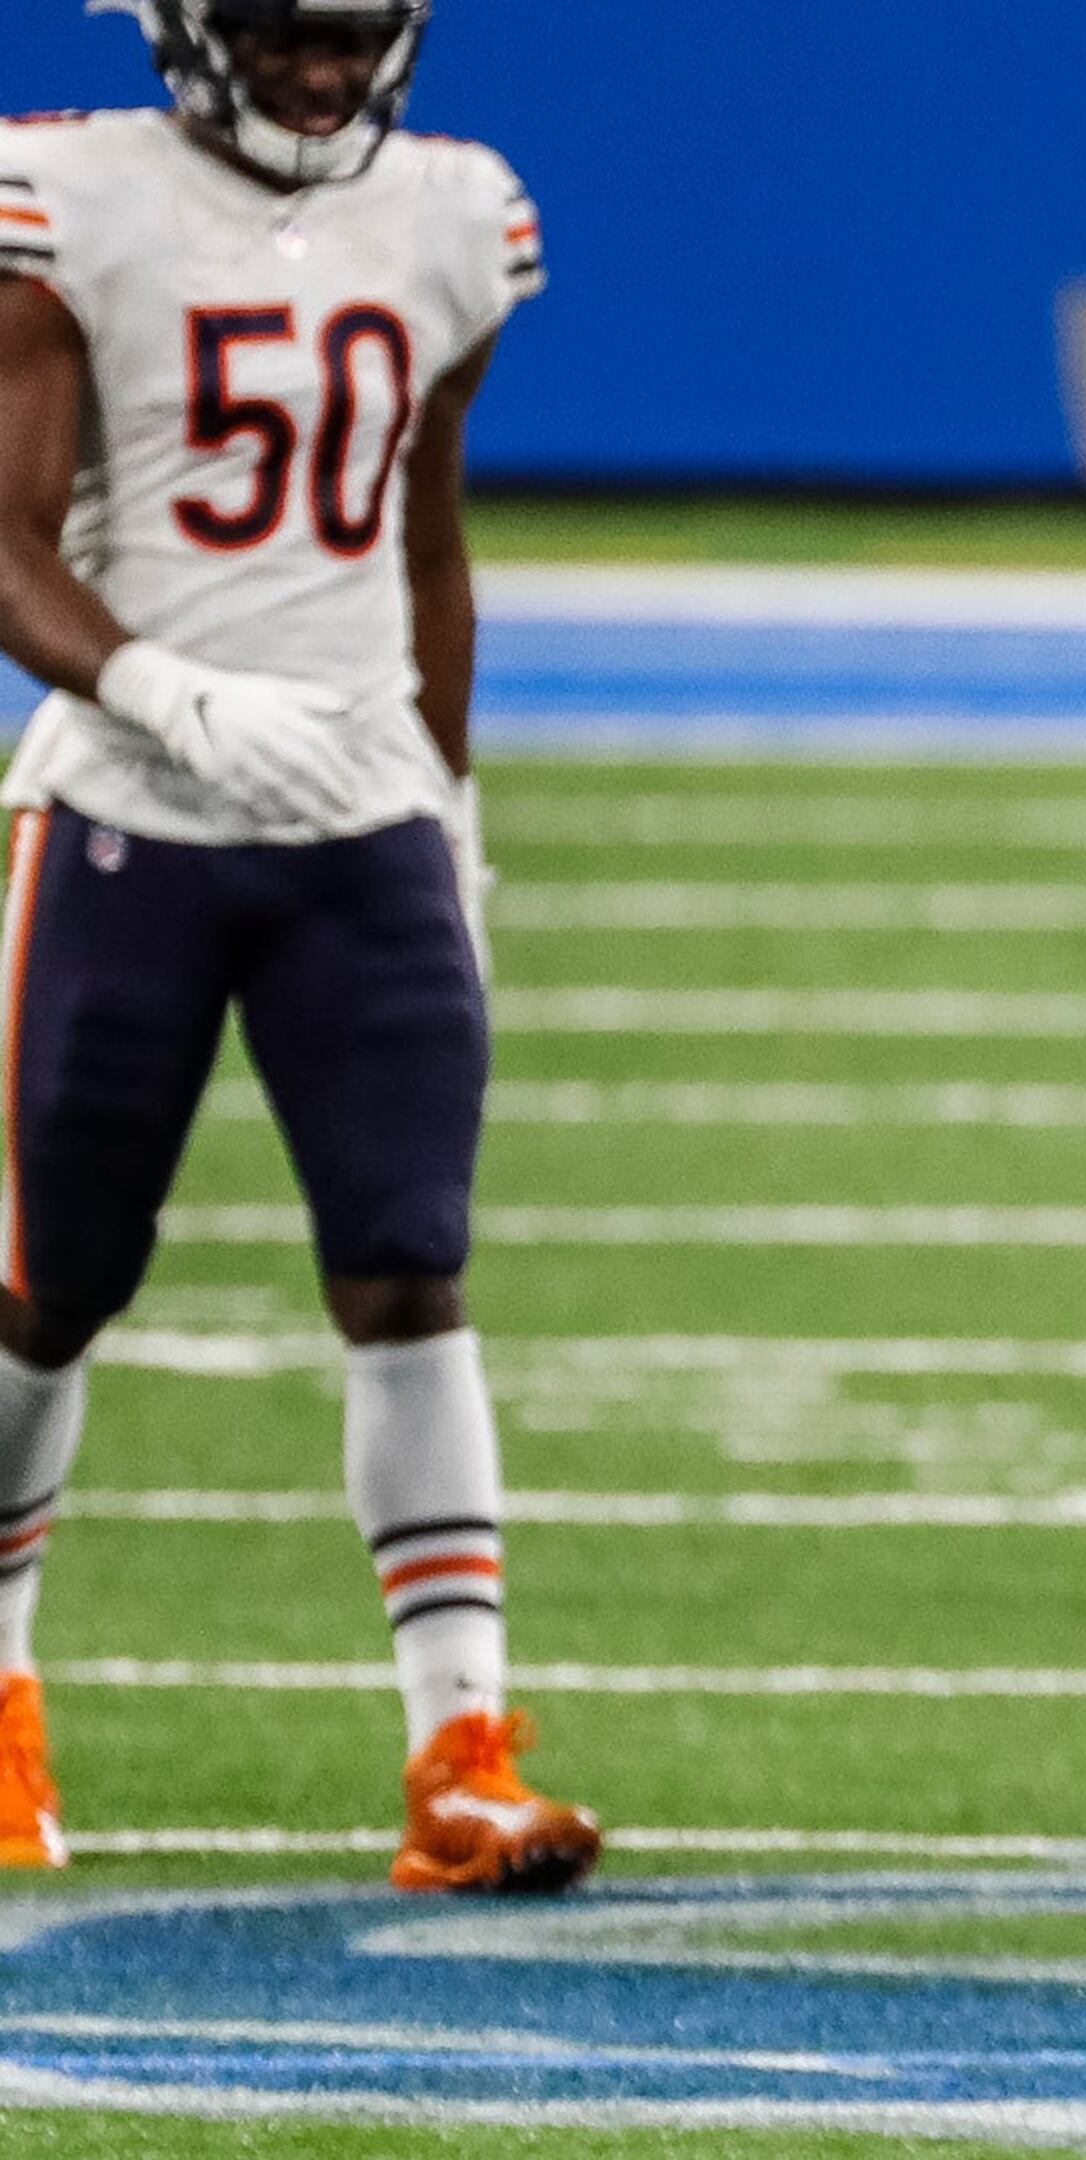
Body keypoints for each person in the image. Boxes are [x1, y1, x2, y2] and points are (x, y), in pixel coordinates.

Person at [0, 0, 595, 1890]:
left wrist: (454, 795)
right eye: (286, 35)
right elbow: (2, 531)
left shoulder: (453, 214)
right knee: (47, 1282)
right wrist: (159, 689)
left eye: (353, 37)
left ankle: (461, 1757)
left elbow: (427, 534)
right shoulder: (71, 192)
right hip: (130, 817)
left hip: (359, 820)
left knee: (410, 1269)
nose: (325, 73)